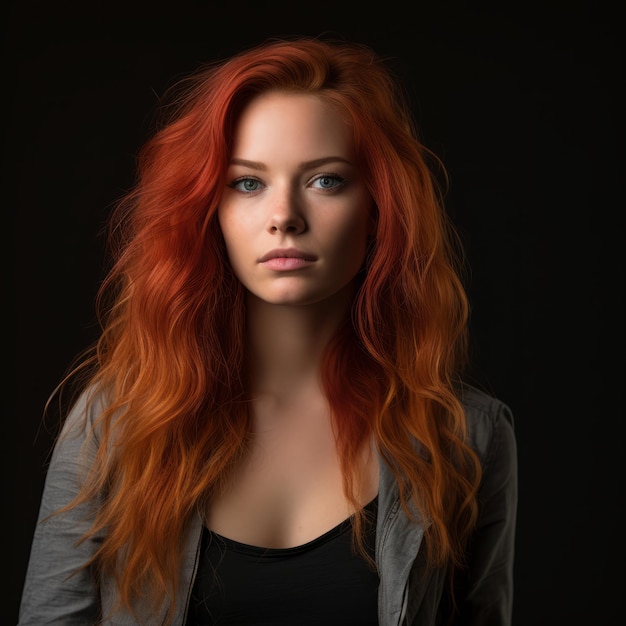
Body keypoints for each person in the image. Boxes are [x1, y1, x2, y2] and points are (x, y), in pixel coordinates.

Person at [18, 36, 518, 625]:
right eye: (247, 183)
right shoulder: (117, 428)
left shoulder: (465, 438)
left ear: (380, 207)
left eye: (326, 180)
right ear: (209, 209)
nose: (284, 216)